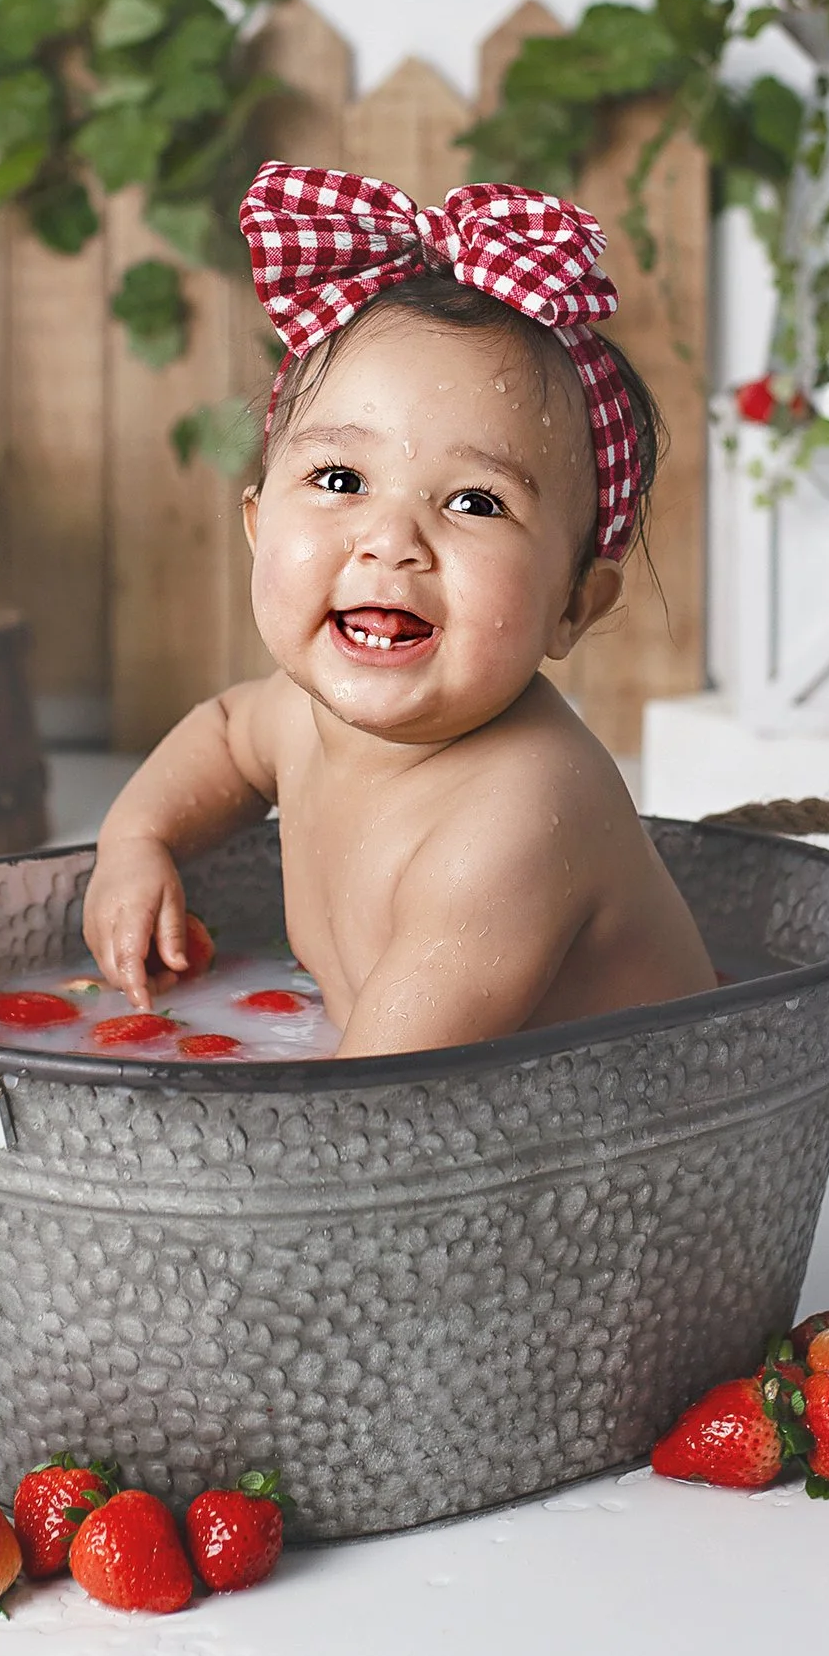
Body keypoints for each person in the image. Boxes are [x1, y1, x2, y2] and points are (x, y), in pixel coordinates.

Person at [82, 164, 715, 1057]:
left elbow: (376, 1108)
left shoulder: (516, 816)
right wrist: (136, 841)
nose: (391, 540)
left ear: (574, 604)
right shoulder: (302, 719)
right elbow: (228, 733)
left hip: (603, 1167)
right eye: (340, 480)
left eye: (475, 502)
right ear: (259, 528)